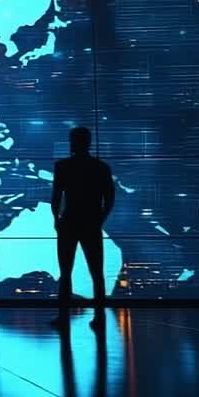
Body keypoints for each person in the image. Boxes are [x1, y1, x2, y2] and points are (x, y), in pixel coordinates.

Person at [51, 126, 116, 329]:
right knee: (96, 272)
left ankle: (63, 317)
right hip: (91, 223)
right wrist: (100, 219)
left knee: (66, 271)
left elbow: (56, 197)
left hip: (69, 222)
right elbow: (110, 198)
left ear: (72, 142)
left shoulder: (63, 166)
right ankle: (99, 317)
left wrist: (57, 219)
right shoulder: (101, 167)